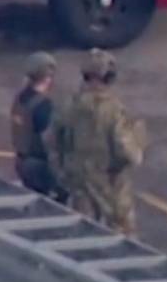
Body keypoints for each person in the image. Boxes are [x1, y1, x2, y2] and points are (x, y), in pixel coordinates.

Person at [47, 49, 147, 235]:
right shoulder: (114, 110)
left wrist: (62, 173)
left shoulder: (68, 104)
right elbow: (126, 151)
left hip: (78, 183)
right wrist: (138, 147)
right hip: (109, 184)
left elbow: (51, 141)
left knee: (83, 231)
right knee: (121, 235)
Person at [10, 51, 65, 201]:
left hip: (21, 162)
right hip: (39, 168)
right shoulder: (43, 106)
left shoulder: (20, 99)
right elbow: (50, 143)